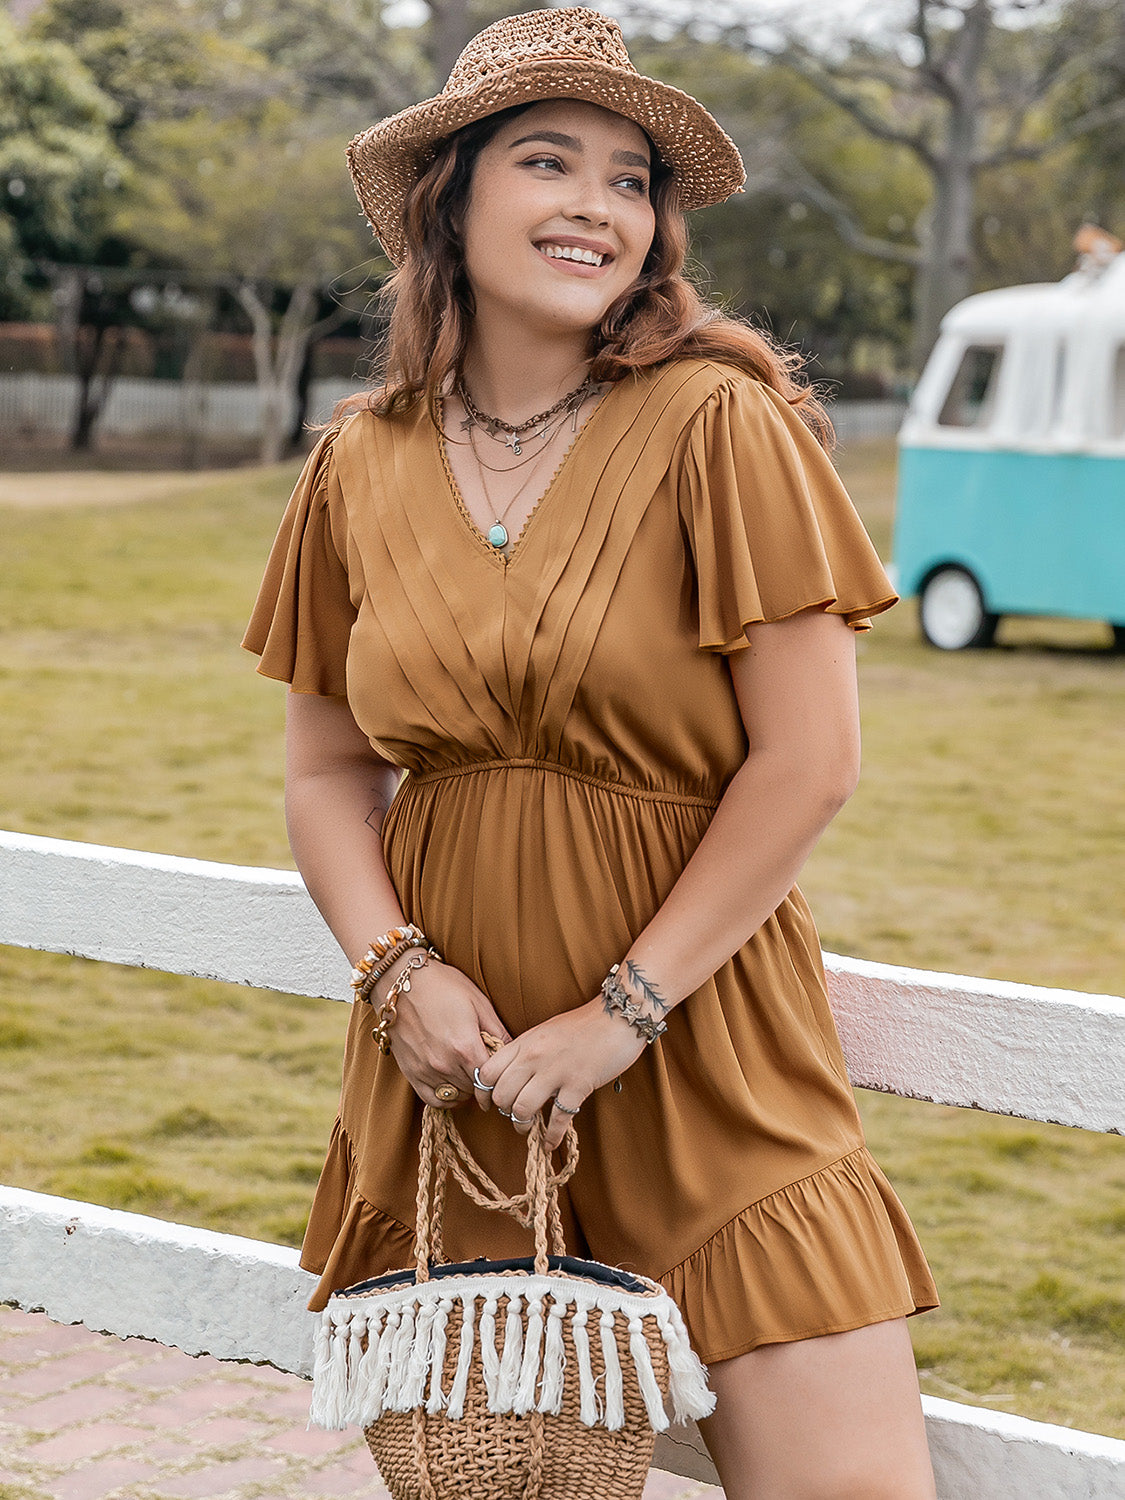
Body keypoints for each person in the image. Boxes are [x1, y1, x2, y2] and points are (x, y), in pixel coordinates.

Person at [244, 10, 939, 1496]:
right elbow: (324, 776)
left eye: (629, 180)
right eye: (546, 160)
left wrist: (626, 1010)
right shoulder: (357, 461)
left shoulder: (716, 422)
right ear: (451, 194)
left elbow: (807, 763)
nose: (596, 206)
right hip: (460, 1088)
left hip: (699, 1051)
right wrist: (395, 974)